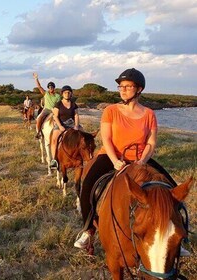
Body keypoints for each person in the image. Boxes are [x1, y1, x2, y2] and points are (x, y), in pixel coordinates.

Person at [73, 68, 190, 257]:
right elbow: (107, 139)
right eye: (121, 86)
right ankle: (88, 231)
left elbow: (151, 142)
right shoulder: (111, 110)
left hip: (140, 158)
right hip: (112, 156)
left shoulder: (149, 114)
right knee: (87, 187)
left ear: (139, 89)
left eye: (128, 86)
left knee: (172, 191)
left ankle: (178, 238)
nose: (123, 89)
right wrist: (115, 161)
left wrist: (142, 160)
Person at [49, 85, 81, 168]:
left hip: (71, 123)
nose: (67, 94)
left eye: (69, 92)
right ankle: (54, 160)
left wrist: (77, 126)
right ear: (62, 94)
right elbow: (55, 116)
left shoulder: (74, 104)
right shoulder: (58, 104)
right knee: (54, 140)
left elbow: (76, 115)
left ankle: (81, 155)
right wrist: (60, 126)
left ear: (71, 94)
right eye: (65, 92)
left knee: (83, 135)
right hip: (61, 123)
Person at [33, 72, 61, 139]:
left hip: (54, 110)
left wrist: (54, 110)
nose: (50, 88)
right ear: (48, 88)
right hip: (46, 109)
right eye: (49, 87)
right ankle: (39, 133)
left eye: (52, 87)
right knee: (39, 118)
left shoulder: (58, 96)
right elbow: (39, 86)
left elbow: (58, 104)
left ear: (54, 88)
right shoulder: (46, 94)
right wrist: (36, 78)